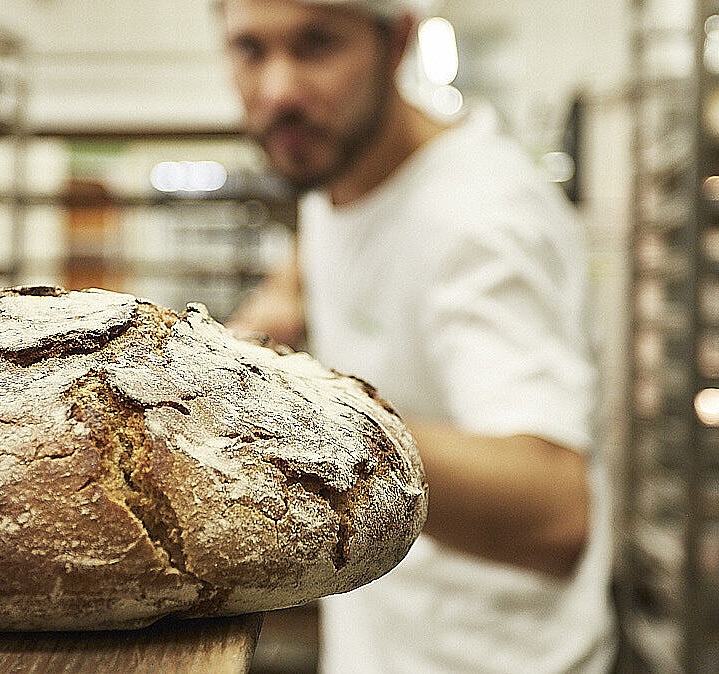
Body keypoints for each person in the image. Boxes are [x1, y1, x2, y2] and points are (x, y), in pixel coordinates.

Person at [216, 1, 616, 672]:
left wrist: (294, 414)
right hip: (388, 643)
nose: (279, 89)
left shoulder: (479, 220)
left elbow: (553, 513)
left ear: (396, 43)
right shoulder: (342, 168)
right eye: (251, 49)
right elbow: (334, 248)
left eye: (317, 44)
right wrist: (271, 310)